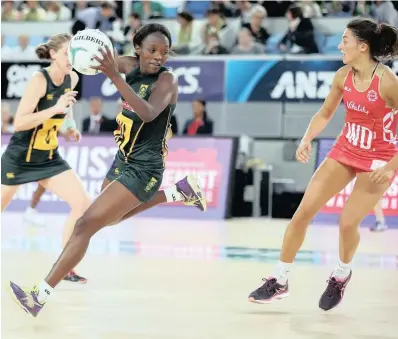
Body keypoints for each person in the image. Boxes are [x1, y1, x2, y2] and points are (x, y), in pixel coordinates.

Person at [9, 23, 207, 317]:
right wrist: (81, 52)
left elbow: (148, 113)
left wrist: (114, 76)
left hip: (145, 168)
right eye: (151, 50)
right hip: (122, 160)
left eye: (164, 52)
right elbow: (99, 60)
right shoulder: (128, 65)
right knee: (107, 221)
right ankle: (179, 192)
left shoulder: (168, 81)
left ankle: (38, 296)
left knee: (84, 224)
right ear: (137, 49)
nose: (158, 57)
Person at [248, 18, 398, 310]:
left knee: (346, 223)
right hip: (345, 148)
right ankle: (279, 281)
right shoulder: (343, 75)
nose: (340, 45)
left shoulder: (389, 82)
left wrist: (392, 165)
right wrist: (307, 138)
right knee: (302, 214)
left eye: (345, 40)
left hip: (379, 157)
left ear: (362, 47)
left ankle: (341, 275)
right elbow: (326, 112)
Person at [1, 33, 90, 284]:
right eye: (66, 53)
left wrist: (69, 127)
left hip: (49, 157)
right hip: (20, 156)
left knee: (82, 202)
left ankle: (65, 267)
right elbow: (19, 123)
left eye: (74, 53)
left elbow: (67, 108)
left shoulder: (73, 77)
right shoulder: (39, 80)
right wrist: (55, 108)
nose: (71, 58)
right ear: (53, 54)